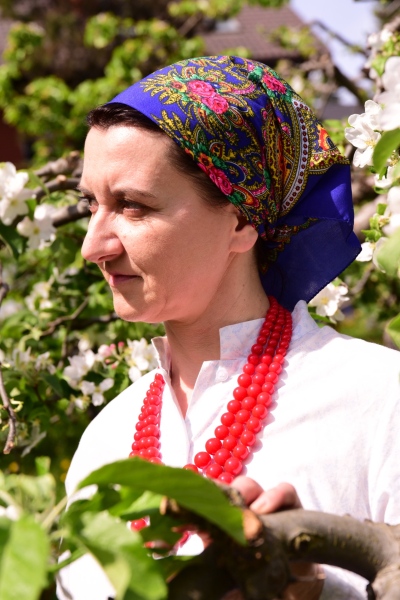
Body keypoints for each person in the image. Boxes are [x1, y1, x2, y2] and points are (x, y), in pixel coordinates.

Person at [57, 56, 400, 600]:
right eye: (91, 204)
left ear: (241, 219)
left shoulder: (378, 401)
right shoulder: (106, 440)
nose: (92, 246)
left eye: (133, 206)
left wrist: (314, 588)